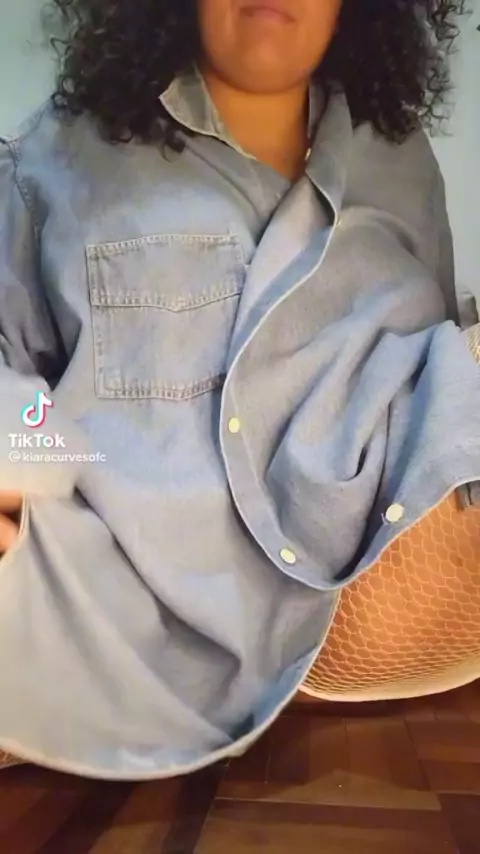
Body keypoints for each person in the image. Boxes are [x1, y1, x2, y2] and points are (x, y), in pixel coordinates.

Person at [0, 0, 478, 779]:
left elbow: (442, 383)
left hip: (394, 595)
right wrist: (22, 457)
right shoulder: (54, 162)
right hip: (129, 635)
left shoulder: (400, 160)